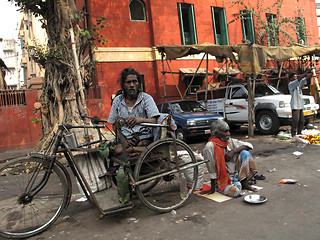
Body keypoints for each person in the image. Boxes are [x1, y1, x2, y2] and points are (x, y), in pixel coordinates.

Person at [200, 119, 260, 197]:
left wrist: (234, 151)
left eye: (228, 131)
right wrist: (212, 188)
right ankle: (234, 184)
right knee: (235, 192)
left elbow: (249, 145)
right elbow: (211, 169)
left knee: (245, 153)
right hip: (221, 180)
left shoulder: (230, 141)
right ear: (216, 133)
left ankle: (243, 183)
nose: (228, 134)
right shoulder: (210, 147)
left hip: (234, 175)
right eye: (225, 131)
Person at [108, 68, 160, 155]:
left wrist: (140, 120)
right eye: (128, 82)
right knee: (117, 151)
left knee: (137, 146)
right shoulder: (117, 101)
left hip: (144, 137)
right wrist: (124, 140)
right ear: (123, 85)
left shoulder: (146, 98)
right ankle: (130, 150)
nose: (132, 85)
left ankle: (133, 149)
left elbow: (154, 121)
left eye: (134, 81)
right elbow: (114, 124)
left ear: (139, 83)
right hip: (126, 137)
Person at [288, 69, 313, 138]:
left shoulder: (298, 84)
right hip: (295, 105)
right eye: (294, 76)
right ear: (291, 78)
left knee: (302, 120)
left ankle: (299, 132)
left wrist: (311, 73)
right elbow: (300, 78)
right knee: (295, 120)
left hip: (300, 105)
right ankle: (293, 133)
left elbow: (305, 79)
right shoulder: (291, 84)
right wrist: (306, 72)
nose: (295, 77)